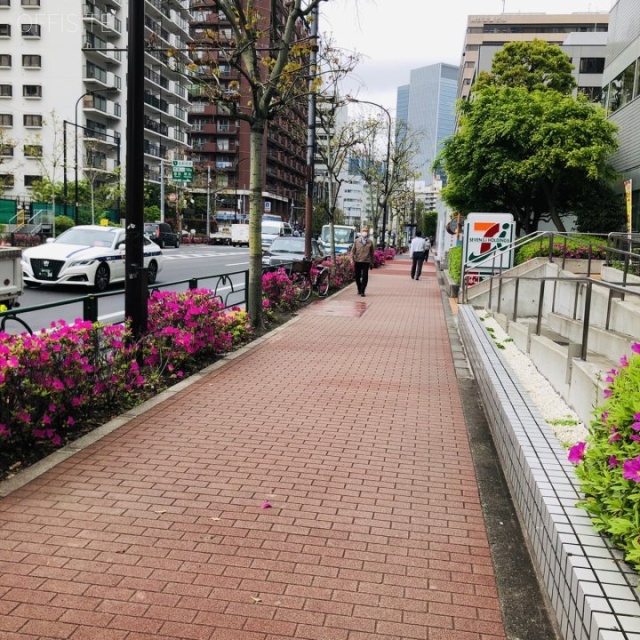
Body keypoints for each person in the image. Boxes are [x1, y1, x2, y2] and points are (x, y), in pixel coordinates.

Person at [350, 225, 374, 297]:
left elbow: (372, 253)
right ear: (360, 232)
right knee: (357, 277)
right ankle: (359, 288)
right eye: (363, 231)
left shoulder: (370, 242)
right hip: (357, 261)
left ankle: (363, 291)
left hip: (366, 262)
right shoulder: (357, 241)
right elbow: (352, 251)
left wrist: (372, 263)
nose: (365, 232)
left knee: (365, 277)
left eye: (366, 231)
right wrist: (352, 259)